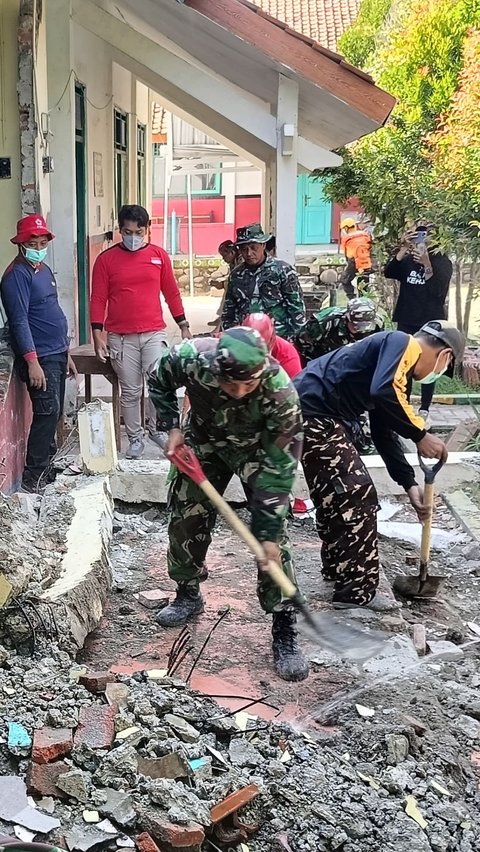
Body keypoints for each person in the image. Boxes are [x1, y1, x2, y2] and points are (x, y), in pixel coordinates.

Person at [147, 327, 308, 682]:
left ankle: (284, 626)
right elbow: (157, 379)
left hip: (258, 451)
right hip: (202, 441)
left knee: (273, 541)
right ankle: (187, 593)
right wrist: (171, 427)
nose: (236, 392)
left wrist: (265, 531)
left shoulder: (281, 395)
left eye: (246, 386)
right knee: (185, 517)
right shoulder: (190, 357)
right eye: (228, 384)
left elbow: (279, 471)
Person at [294, 321, 465, 609]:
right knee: (356, 495)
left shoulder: (396, 370)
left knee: (337, 495)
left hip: (309, 413)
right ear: (445, 354)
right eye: (444, 367)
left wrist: (409, 483)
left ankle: (340, 572)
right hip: (314, 413)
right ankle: (356, 594)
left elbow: (384, 431)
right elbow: (382, 391)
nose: (436, 374)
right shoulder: (401, 343)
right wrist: (420, 434)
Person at [90, 204, 191, 460]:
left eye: (138, 231)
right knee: (131, 390)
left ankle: (159, 429)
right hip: (121, 337)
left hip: (153, 333)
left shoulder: (159, 256)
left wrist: (183, 325)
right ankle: (135, 438)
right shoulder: (106, 260)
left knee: (158, 383)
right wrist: (97, 333)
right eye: (127, 231)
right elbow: (98, 298)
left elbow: (171, 293)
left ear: (147, 230)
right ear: (119, 231)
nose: (132, 237)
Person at [0, 215, 76, 492]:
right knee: (46, 411)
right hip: (40, 356)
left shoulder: (42, 269)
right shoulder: (15, 276)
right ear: (21, 244)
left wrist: (66, 352)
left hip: (56, 351)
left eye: (43, 242)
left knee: (53, 410)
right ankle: (34, 477)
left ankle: (47, 466)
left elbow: (52, 310)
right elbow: (19, 320)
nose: (39, 246)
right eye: (33, 242)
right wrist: (32, 361)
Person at [384, 223, 453, 427]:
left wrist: (426, 264)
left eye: (427, 236)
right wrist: (404, 247)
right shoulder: (408, 260)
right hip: (407, 318)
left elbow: (438, 292)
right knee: (405, 364)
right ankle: (404, 407)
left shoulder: (443, 262)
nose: (423, 240)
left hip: (431, 322)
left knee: (429, 365)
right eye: (420, 235)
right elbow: (389, 272)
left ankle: (424, 409)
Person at [221, 224, 305, 340]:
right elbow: (229, 311)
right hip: (247, 340)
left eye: (253, 247)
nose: (249, 253)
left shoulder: (283, 270)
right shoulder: (236, 275)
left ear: (263, 245)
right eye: (244, 249)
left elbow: (296, 307)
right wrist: (230, 336)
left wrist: (294, 339)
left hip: (278, 337)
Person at [294, 297, 384, 367]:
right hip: (322, 362)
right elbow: (301, 343)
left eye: (367, 328)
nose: (361, 332)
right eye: (357, 327)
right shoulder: (325, 323)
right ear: (346, 319)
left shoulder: (377, 324)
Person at [243, 312, 302, 378]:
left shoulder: (287, 354)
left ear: (271, 340)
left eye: (261, 347)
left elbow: (295, 385)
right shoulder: (232, 346)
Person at [208, 240, 241, 330]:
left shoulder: (241, 261)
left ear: (232, 252)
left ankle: (221, 322)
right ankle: (220, 320)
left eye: (224, 256)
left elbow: (237, 281)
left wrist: (222, 284)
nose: (223, 259)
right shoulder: (233, 263)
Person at [339, 218, 373, 298]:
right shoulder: (365, 235)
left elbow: (348, 254)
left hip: (354, 262)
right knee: (363, 284)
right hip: (367, 262)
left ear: (346, 228)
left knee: (345, 280)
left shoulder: (347, 239)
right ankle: (363, 301)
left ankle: (352, 299)